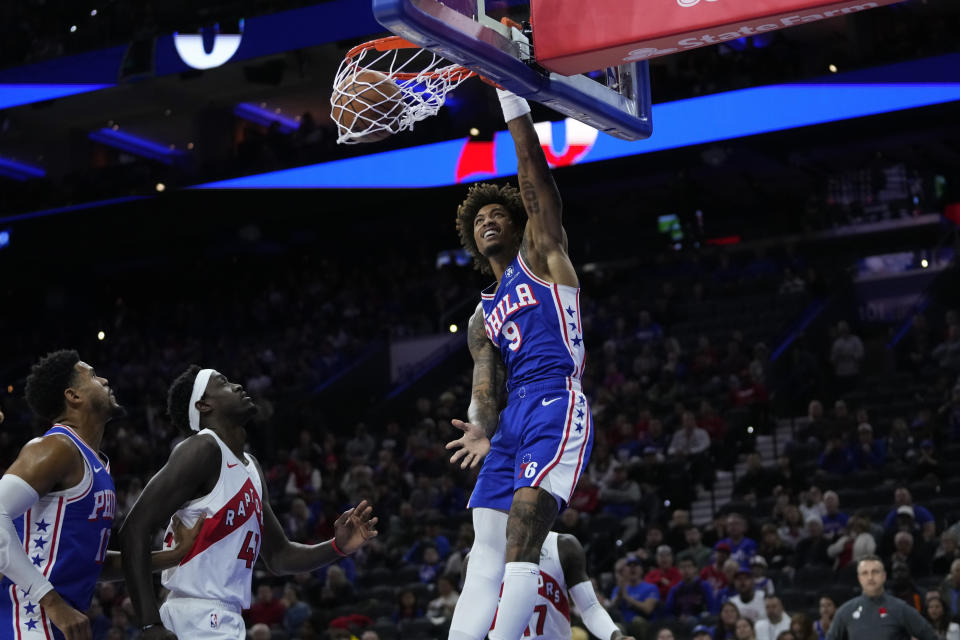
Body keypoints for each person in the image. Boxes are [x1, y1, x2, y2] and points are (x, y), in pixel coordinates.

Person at [445, 86, 592, 640]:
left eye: (495, 214)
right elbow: (486, 385)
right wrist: (481, 429)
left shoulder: (543, 255)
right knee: (483, 548)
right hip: (512, 418)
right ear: (470, 237)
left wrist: (513, 104)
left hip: (557, 398)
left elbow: (537, 180)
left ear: (514, 222)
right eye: (477, 218)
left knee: (522, 534)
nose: (487, 221)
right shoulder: (482, 317)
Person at [120, 366, 379, 639]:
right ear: (203, 404)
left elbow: (279, 556)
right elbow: (134, 529)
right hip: (194, 618)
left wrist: (337, 546)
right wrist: (149, 624)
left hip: (226, 619)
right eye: (223, 383)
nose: (237, 386)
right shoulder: (201, 449)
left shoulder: (251, 467)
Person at [0, 350, 200, 640]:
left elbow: (92, 562)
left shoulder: (96, 464)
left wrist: (173, 556)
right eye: (92, 376)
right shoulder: (55, 448)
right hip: (22, 622)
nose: (105, 379)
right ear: (73, 396)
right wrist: (53, 602)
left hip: (58, 625)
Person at [472, 532, 635, 640]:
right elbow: (473, 623)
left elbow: (590, 607)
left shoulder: (563, 546)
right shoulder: (477, 557)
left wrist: (616, 636)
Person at [826, 555, 938, 640]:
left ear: (883, 576)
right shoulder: (845, 611)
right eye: (865, 573)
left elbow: (931, 636)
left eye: (875, 572)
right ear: (859, 578)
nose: (870, 577)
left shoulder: (900, 608)